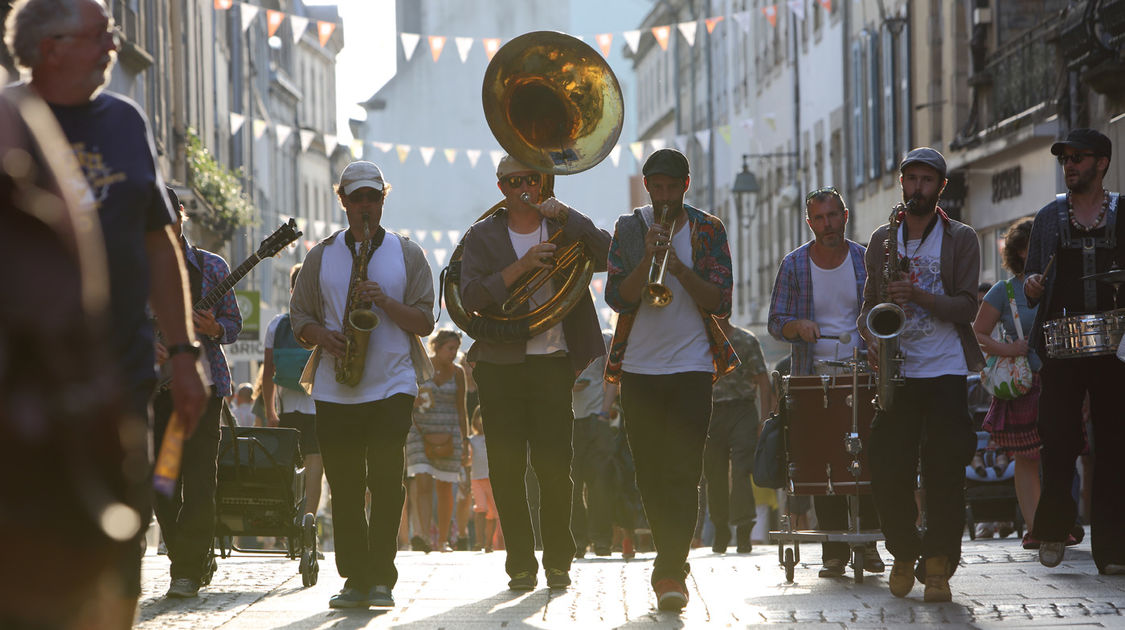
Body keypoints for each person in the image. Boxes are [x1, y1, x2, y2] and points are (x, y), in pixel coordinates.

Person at [6, 1, 209, 624]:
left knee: (122, 527)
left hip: (118, 373)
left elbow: (158, 241)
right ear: (50, 47)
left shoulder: (126, 121)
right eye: (99, 34)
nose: (113, 44)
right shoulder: (10, 120)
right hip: (25, 388)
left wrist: (182, 353)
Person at [458, 154, 611, 591]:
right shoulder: (482, 235)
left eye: (532, 178)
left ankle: (559, 559)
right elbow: (470, 296)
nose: (524, 186)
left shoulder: (565, 227)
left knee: (554, 468)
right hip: (500, 363)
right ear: (502, 186)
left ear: (542, 182)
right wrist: (522, 266)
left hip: (553, 361)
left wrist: (568, 214)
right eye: (513, 180)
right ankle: (521, 563)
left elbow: (607, 256)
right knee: (506, 470)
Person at [290, 160, 435, 608]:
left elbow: (426, 321)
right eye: (358, 198)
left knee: (388, 477)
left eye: (374, 197)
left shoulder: (407, 253)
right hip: (338, 384)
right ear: (344, 202)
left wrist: (385, 301)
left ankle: (381, 578)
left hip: (394, 382)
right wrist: (322, 336)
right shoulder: (322, 255)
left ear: (382, 200)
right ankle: (354, 578)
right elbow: (300, 319)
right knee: (347, 483)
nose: (366, 206)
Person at [604, 148, 736, 611]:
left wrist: (679, 268)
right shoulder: (629, 228)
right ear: (646, 186)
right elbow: (618, 298)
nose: (662, 197)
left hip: (694, 365)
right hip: (639, 367)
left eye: (670, 188)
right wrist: (648, 261)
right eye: (655, 188)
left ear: (685, 186)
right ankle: (672, 558)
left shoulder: (707, 229)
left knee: (683, 469)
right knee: (650, 473)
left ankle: (668, 570)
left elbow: (720, 300)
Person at [858, 147, 983, 602]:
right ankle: (904, 550)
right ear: (902, 184)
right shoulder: (881, 241)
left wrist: (921, 296)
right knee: (886, 466)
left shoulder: (962, 238)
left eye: (927, 181)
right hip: (899, 373)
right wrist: (872, 340)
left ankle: (938, 565)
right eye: (911, 180)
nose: (917, 188)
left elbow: (969, 305)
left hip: (946, 371)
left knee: (945, 472)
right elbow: (867, 309)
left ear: (940, 188)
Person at [767, 186, 883, 578]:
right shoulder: (794, 264)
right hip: (812, 376)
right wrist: (798, 326)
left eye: (833, 216)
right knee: (823, 460)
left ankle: (867, 545)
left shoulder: (867, 259)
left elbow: (885, 313)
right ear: (809, 222)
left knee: (867, 456)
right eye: (819, 218)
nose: (827, 224)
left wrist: (875, 343)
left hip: (862, 373)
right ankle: (833, 548)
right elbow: (775, 322)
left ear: (845, 216)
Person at [1023, 128, 1125, 575]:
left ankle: (1115, 548)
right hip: (1062, 345)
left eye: (1079, 158)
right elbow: (1030, 284)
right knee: (1058, 438)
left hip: (1117, 347)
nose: (1070, 166)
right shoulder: (1048, 217)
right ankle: (1054, 526)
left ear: (1102, 163)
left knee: (1116, 445)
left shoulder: (1123, 213)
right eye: (1065, 159)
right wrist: (1032, 286)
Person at [151, 187, 242, 598]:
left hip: (207, 390)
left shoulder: (212, 266)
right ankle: (188, 558)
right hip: (157, 392)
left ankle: (185, 570)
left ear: (182, 214)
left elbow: (234, 325)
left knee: (201, 482)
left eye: (169, 215)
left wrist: (214, 328)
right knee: (163, 484)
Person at [971, 218, 1043, 548]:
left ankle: (1056, 519)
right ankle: (1036, 526)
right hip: (1024, 382)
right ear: (1017, 253)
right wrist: (1009, 349)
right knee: (1027, 457)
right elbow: (977, 333)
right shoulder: (1005, 290)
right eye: (1029, 248)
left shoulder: (1059, 284)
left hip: (1059, 378)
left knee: (1060, 453)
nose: (1036, 254)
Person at [704, 316, 772, 554]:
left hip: (742, 409)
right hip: (712, 412)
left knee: (742, 469)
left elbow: (764, 380)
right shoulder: (701, 340)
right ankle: (721, 527)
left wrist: (765, 420)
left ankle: (744, 530)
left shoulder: (745, 340)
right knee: (715, 474)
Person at [263, 263, 323, 521]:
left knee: (287, 469)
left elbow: (267, 373)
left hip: (287, 410)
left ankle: (287, 521)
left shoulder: (277, 325)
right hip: (319, 408)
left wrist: (269, 411)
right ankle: (307, 524)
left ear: (290, 290)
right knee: (314, 470)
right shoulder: (326, 324)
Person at [405, 329, 469, 553]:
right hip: (419, 431)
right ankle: (422, 535)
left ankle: (442, 540)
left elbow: (462, 409)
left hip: (449, 432)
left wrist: (466, 439)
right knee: (422, 479)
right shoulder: (421, 367)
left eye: (456, 349)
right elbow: (407, 396)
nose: (454, 353)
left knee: (445, 485)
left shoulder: (458, 372)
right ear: (437, 347)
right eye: (450, 348)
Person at [570, 331, 618, 558]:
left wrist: (604, 413)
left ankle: (601, 540)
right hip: (568, 419)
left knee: (599, 482)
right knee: (572, 485)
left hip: (595, 417)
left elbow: (613, 376)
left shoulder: (604, 339)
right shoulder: (558, 337)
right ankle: (577, 540)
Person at [468, 407, 502, 552]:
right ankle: (479, 541)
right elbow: (467, 459)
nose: (481, 421)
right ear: (474, 420)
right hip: (476, 479)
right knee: (480, 509)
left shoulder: (494, 439)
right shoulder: (471, 440)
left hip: (492, 479)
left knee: (493, 513)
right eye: (478, 417)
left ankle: (489, 544)